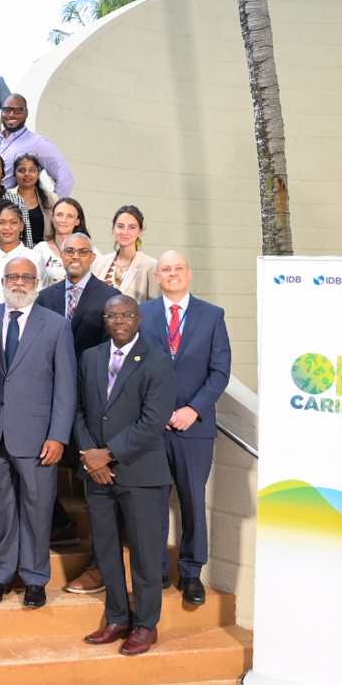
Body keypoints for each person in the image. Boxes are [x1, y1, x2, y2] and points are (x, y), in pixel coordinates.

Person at [75, 295, 177, 657]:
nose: (119, 320)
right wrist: (91, 457)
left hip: (141, 473)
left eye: (126, 315)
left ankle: (146, 625)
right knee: (106, 551)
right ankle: (117, 618)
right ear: (105, 319)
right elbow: (81, 410)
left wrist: (110, 454)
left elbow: (152, 421)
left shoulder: (158, 362)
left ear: (138, 319)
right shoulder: (91, 357)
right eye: (112, 315)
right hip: (97, 474)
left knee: (146, 555)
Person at [0, 256, 77, 608]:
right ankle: (2, 576)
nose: (19, 283)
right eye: (13, 277)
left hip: (39, 437)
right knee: (1, 510)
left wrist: (58, 436)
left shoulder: (55, 325)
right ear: (3, 281)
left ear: (37, 283)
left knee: (37, 510)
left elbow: (66, 388)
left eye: (26, 277)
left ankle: (36, 579)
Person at [140, 251, 231, 604]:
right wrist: (154, 411)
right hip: (153, 426)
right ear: (158, 277)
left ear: (189, 274)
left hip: (194, 428)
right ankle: (159, 567)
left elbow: (220, 370)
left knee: (193, 499)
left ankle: (192, 572)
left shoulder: (212, 316)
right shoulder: (143, 314)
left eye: (179, 268)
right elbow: (134, 366)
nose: (173, 273)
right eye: (166, 269)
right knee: (154, 501)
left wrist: (193, 409)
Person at [38, 231, 120, 593]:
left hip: (90, 403)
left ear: (91, 257)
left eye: (81, 251)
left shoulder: (109, 298)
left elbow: (110, 351)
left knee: (95, 485)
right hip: (51, 402)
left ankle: (102, 565)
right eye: (68, 250)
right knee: (42, 470)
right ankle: (50, 534)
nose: (74, 256)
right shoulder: (46, 297)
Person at [0, 94, 76, 199]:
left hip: (16, 210)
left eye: (18, 110)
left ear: (26, 113)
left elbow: (66, 177)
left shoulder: (38, 143)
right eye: (7, 110)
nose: (11, 114)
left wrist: (54, 208)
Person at [0, 201, 44, 304]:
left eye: (13, 222)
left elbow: (40, 296)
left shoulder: (35, 258)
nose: (7, 227)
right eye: (1, 222)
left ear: (22, 226)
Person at [93, 204, 160, 302]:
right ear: (114, 228)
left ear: (140, 231)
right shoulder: (100, 263)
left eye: (132, 227)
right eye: (120, 226)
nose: (125, 232)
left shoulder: (152, 267)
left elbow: (154, 307)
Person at [8, 152, 55, 248]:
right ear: (14, 174)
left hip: (44, 254)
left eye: (32, 170)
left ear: (39, 173)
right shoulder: (6, 198)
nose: (27, 174)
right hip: (15, 253)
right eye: (21, 170)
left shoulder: (51, 199)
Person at [40, 197, 90, 285]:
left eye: (70, 216)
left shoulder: (88, 251)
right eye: (59, 215)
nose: (63, 220)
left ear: (77, 221)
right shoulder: (40, 250)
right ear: (52, 217)